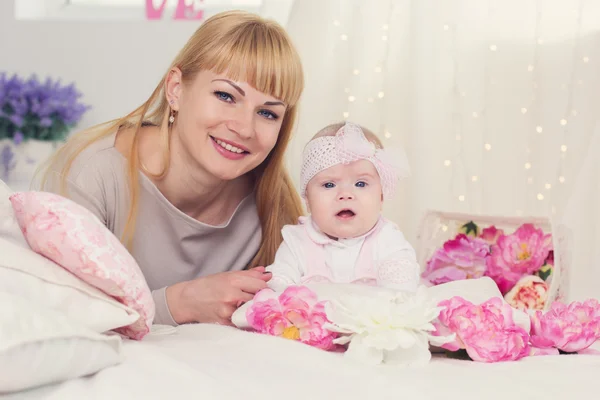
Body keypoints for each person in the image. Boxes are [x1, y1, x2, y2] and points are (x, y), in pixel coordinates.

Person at [37, 10, 305, 327]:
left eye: (268, 113)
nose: (245, 128)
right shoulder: (91, 172)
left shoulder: (273, 205)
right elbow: (53, 314)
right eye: (225, 95)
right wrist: (178, 304)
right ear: (176, 89)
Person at [265, 122, 420, 292]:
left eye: (361, 184)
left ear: (381, 197)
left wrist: (396, 293)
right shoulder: (297, 242)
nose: (345, 194)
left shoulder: (388, 239)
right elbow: (280, 282)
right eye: (329, 185)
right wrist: (279, 289)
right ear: (308, 200)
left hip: (372, 316)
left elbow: (401, 285)